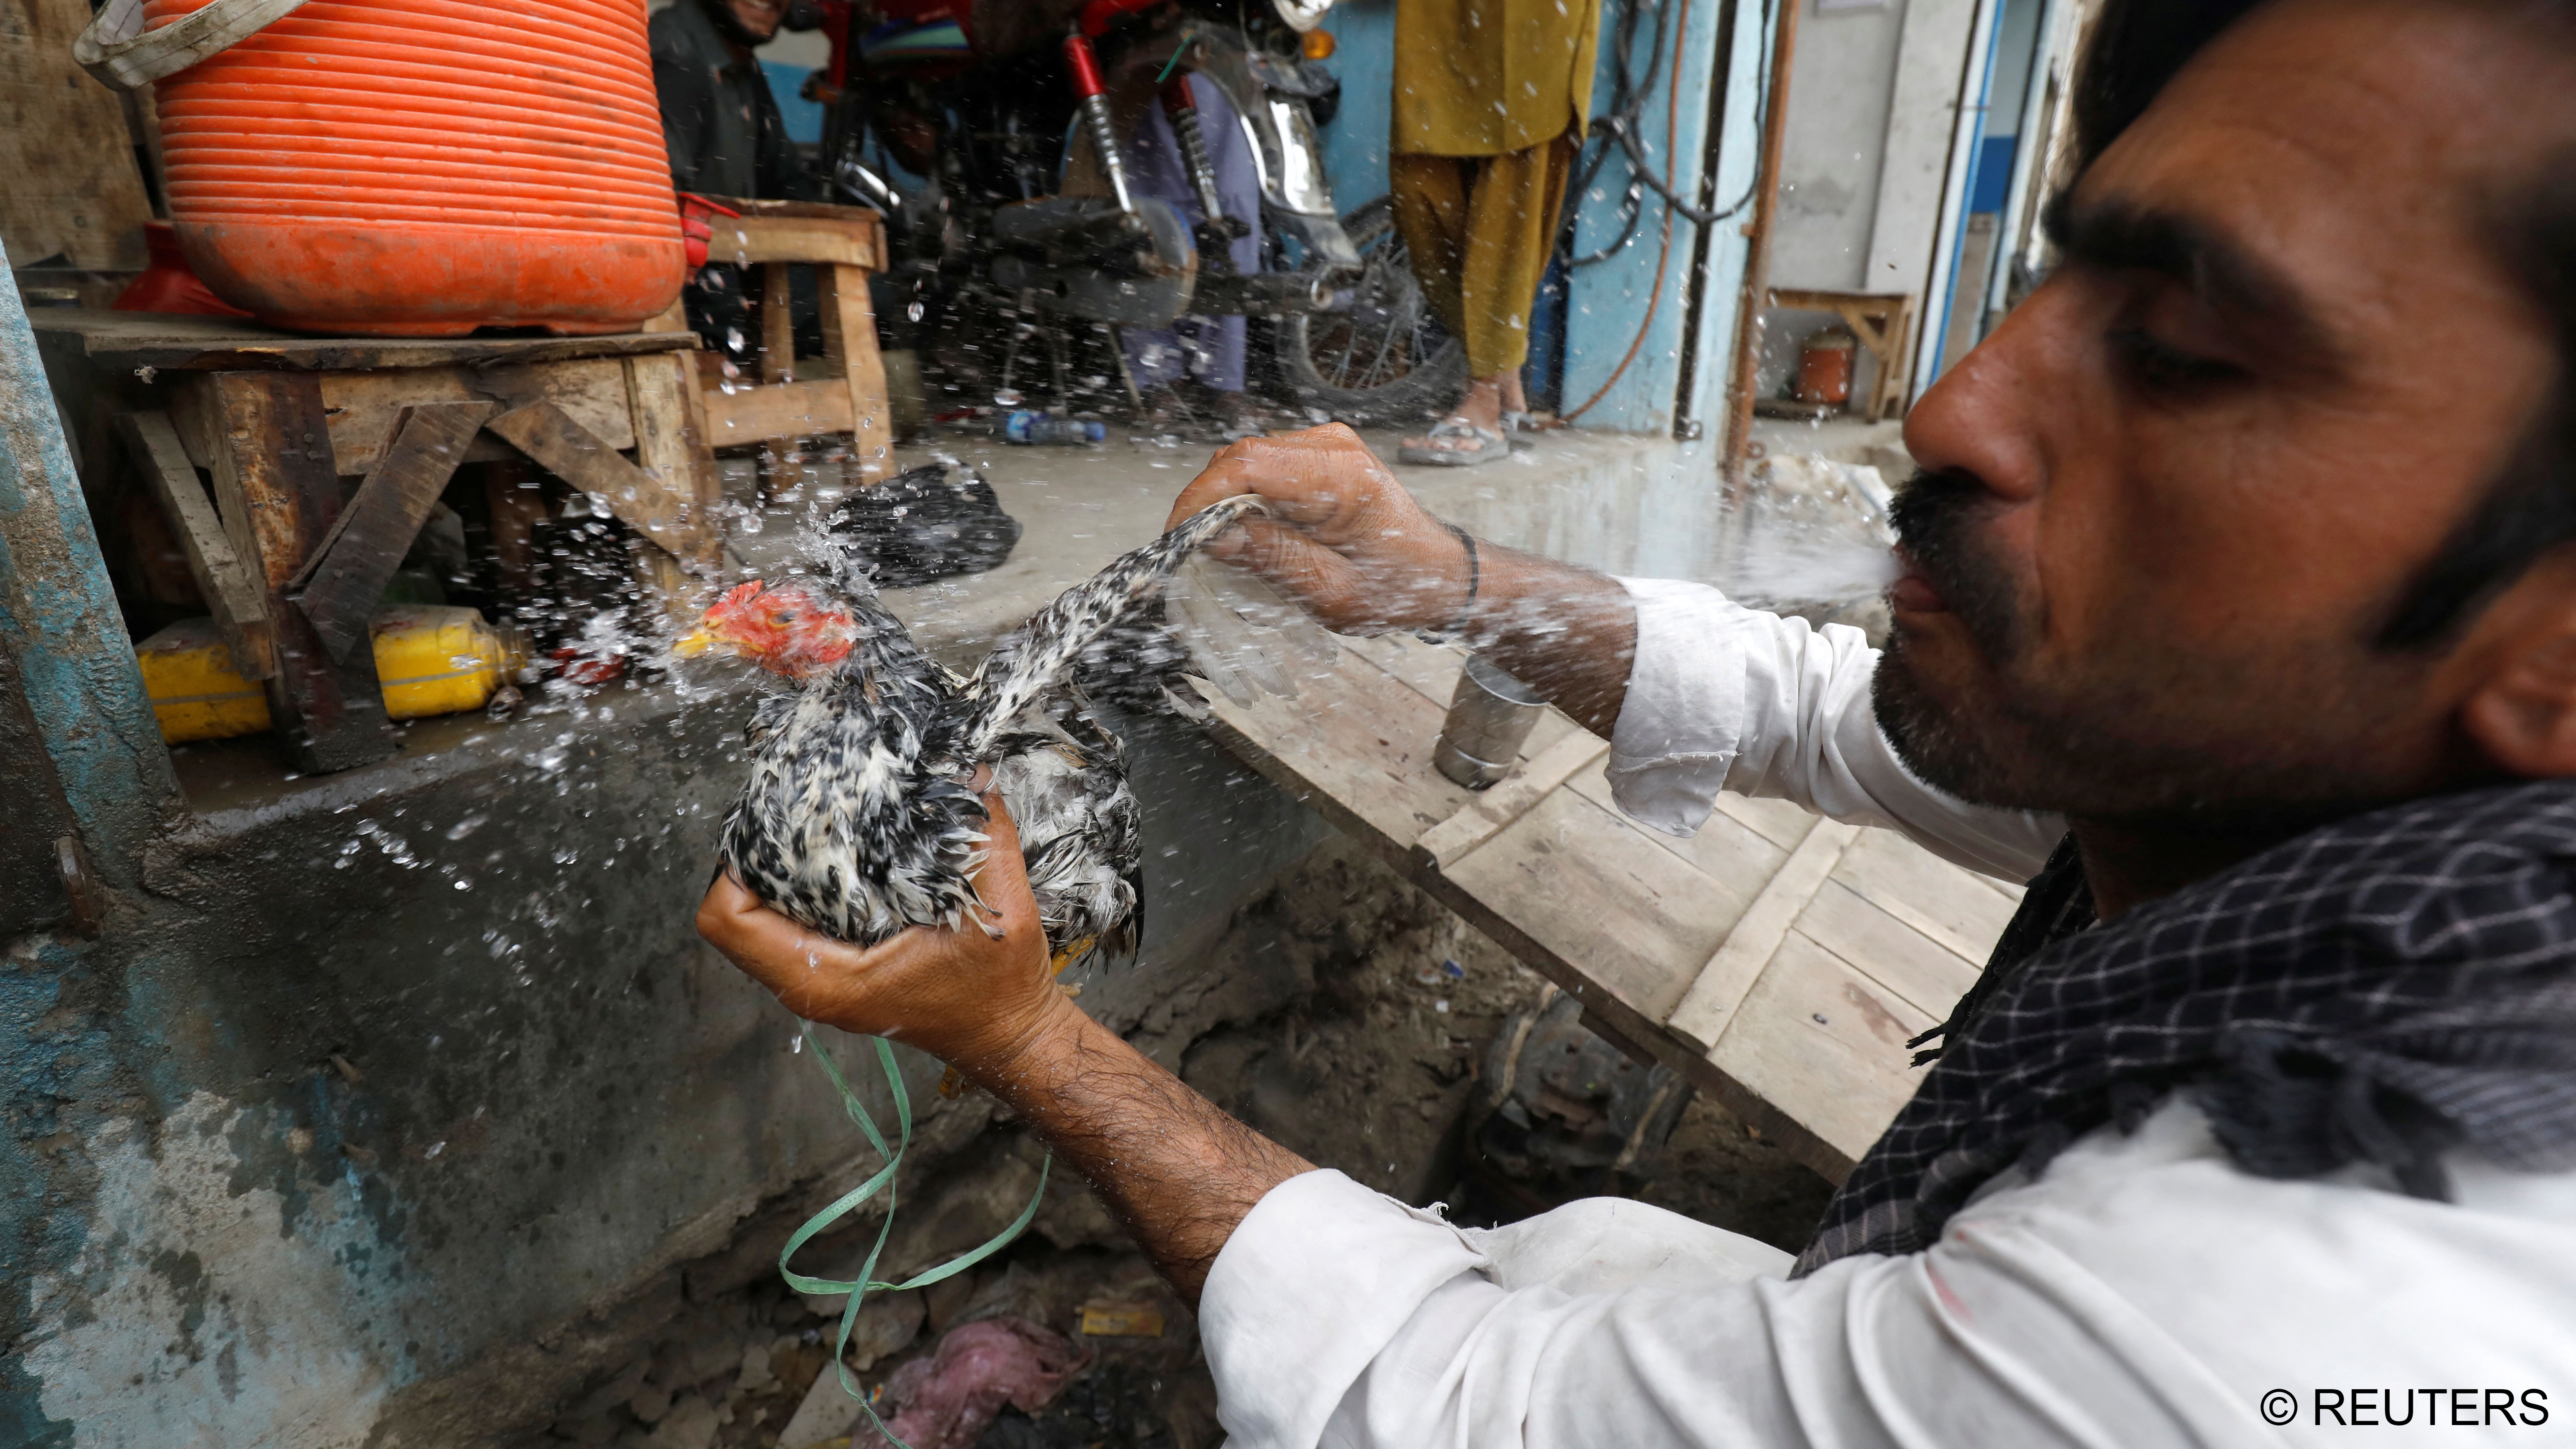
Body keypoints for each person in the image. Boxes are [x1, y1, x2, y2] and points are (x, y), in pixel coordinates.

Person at [700, 0, 2576, 1441]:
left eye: (2182, 353)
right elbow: (1832, 713)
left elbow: (1449, 1400)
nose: (1957, 407)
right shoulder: (2409, 865)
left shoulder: (2277, 1335)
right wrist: (1442, 579)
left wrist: (1022, 1034)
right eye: (2048, 288)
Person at [1386, 0, 1595, 466]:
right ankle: (1504, 377)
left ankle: (1484, 395)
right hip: (1443, 14)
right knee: (1418, 175)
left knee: (1513, 190)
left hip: (1535, 18)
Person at [651, 0, 813, 366]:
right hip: (690, 312)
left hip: (731, 295)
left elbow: (788, 180)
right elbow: (663, 217)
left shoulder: (741, 65)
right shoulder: (674, 53)